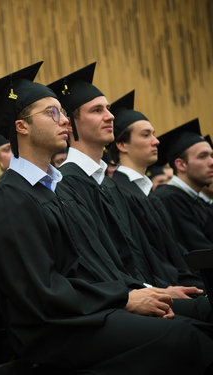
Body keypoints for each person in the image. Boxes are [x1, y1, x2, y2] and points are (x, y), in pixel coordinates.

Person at [0, 62, 213, 374]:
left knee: (196, 322)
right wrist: (124, 300)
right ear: (22, 127)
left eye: (63, 112)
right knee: (183, 337)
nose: (64, 122)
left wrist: (137, 292)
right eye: (52, 113)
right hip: (53, 331)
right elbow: (40, 291)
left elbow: (89, 267)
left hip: (82, 312)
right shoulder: (9, 198)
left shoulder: (50, 190)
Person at [49, 63, 188, 289]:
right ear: (70, 124)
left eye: (108, 108)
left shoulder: (107, 183)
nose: (110, 116)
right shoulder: (67, 184)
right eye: (97, 110)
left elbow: (141, 254)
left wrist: (164, 288)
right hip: (122, 299)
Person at [108, 90, 203, 287]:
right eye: (146, 135)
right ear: (122, 144)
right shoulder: (118, 192)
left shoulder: (149, 195)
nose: (156, 141)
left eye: (154, 134)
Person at [151, 118, 213, 252]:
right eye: (203, 156)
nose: (211, 162)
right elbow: (200, 252)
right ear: (181, 164)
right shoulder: (169, 199)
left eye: (211, 156)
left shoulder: (197, 201)